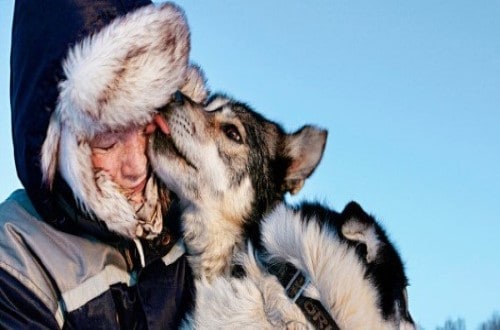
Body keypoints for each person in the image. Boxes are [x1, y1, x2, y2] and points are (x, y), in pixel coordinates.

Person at [1, 0, 207, 328]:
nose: (137, 167)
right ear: (57, 149)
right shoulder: (17, 257)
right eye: (107, 143)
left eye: (145, 126)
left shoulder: (196, 203)